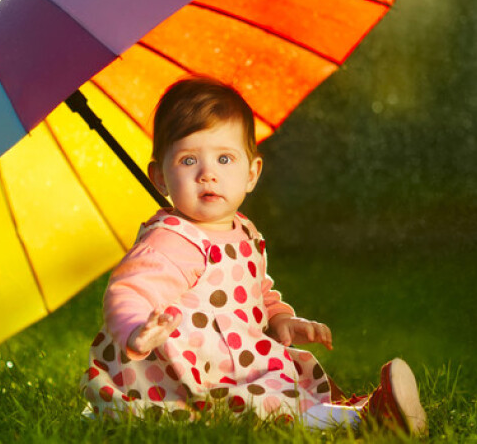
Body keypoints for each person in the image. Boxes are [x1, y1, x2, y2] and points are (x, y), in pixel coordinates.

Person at [80, 76, 427, 435]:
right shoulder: (170, 241)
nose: (208, 174)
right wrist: (136, 330)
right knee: (261, 404)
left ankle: (357, 413)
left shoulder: (243, 229)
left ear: (251, 172)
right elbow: (128, 290)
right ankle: (368, 420)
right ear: (160, 177)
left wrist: (279, 319)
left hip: (238, 358)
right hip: (190, 376)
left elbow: (258, 291)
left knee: (279, 390)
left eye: (224, 158)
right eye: (187, 161)